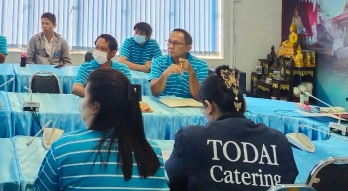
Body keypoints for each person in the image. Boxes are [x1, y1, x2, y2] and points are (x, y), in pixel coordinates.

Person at [165, 66, 298, 190]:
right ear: (244, 105)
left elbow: (174, 182)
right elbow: (288, 181)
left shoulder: (190, 138)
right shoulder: (279, 141)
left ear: (209, 106)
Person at [35, 68, 168, 191]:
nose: (82, 102)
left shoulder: (63, 148)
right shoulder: (152, 152)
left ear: (95, 107)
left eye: (85, 96)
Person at [149, 28, 208, 100]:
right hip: (164, 104)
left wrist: (191, 73)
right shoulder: (158, 62)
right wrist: (165, 74)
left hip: (190, 105)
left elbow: (199, 97)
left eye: (176, 43)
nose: (170, 46)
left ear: (188, 48)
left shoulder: (201, 65)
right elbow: (154, 92)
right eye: (169, 42)